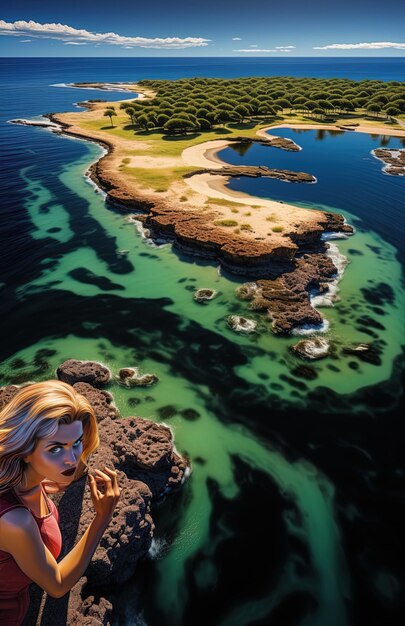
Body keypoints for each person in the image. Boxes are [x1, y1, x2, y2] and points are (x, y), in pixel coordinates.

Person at [0, 380, 120, 625]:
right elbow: (56, 586)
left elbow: (72, 461)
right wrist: (102, 518)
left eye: (76, 443)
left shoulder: (26, 479)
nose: (71, 460)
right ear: (25, 449)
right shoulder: (15, 521)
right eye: (55, 449)